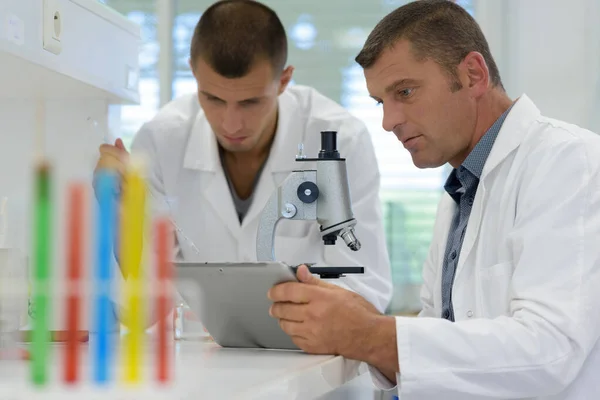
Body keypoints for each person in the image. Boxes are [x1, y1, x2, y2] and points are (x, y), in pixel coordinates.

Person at [267, 1, 600, 398]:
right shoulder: (461, 190)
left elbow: (551, 351)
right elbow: (442, 347)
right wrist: (360, 323)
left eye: (404, 92)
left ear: (473, 75)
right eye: (380, 102)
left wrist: (372, 334)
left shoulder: (568, 161)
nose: (389, 121)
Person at [94, 0, 392, 316]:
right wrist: (119, 212)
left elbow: (363, 288)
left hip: (309, 352)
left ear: (284, 81)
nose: (231, 124)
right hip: (205, 355)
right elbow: (147, 304)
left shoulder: (339, 139)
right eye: (214, 99)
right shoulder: (160, 141)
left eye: (250, 102)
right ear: (193, 73)